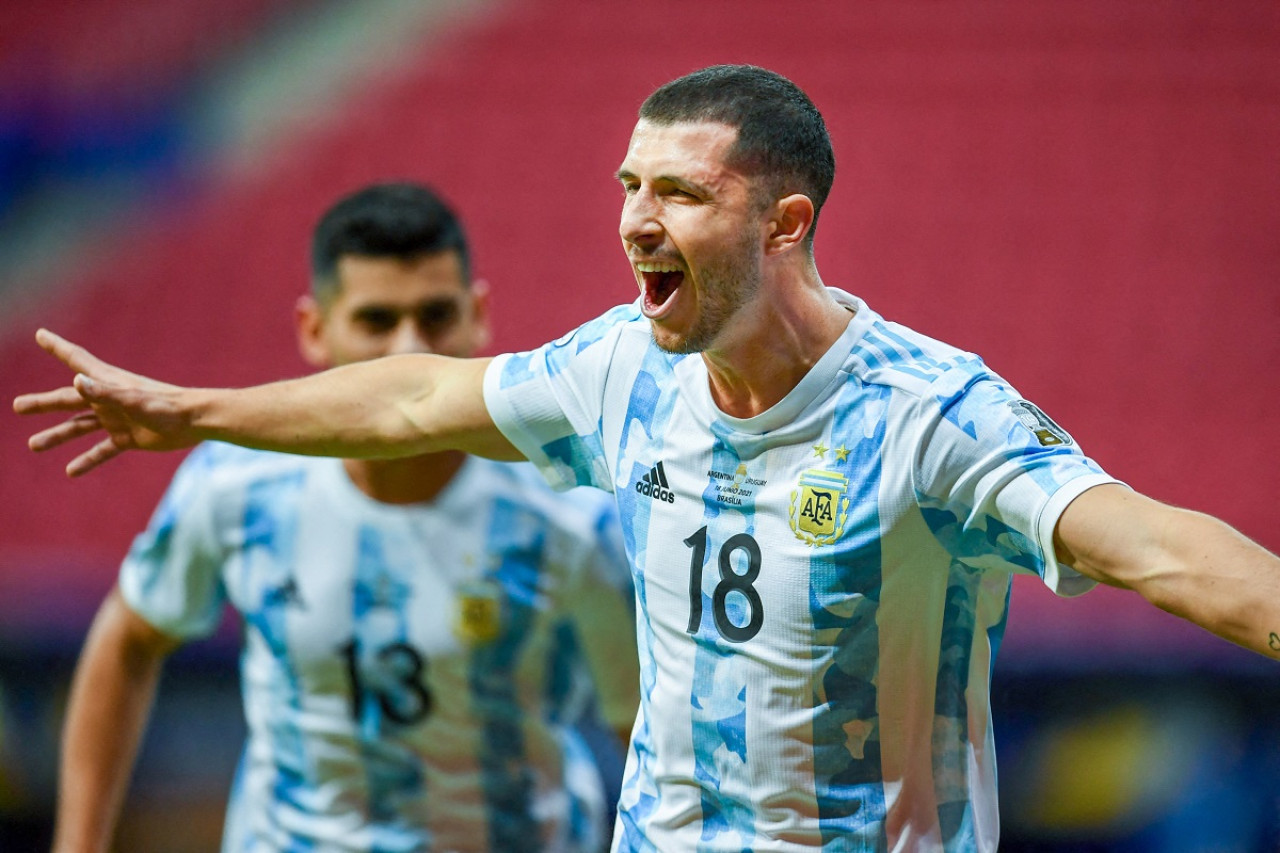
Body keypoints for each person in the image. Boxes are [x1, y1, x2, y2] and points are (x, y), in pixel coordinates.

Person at [16, 66, 1280, 852]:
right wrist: (197, 409)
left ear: (784, 223)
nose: (632, 220)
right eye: (628, 185)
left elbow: (1157, 547)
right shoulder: (629, 367)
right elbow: (413, 400)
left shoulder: (926, 415)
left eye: (677, 193)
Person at [44, 182, 639, 853]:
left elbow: (646, 730)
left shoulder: (567, 514)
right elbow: (129, 635)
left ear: (479, 317)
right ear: (314, 329)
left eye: (437, 315)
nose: (409, 350)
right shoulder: (239, 483)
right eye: (378, 320)